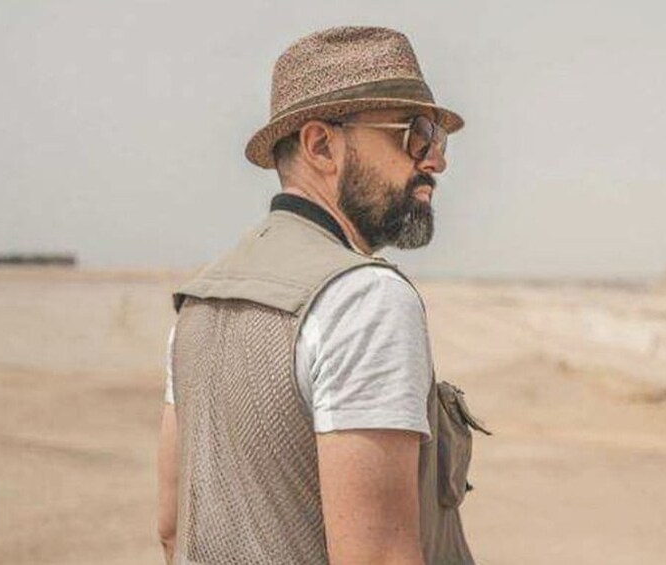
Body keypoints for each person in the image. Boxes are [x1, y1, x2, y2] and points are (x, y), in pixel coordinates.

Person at [156, 26, 488, 565]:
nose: (435, 161)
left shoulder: (199, 302)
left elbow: (172, 530)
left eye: (438, 141)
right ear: (321, 145)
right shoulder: (364, 300)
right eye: (416, 135)